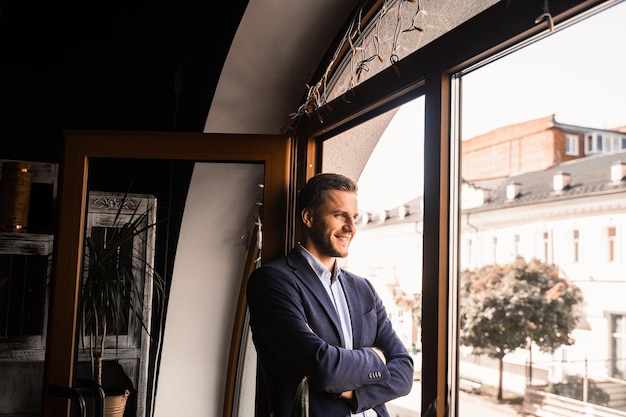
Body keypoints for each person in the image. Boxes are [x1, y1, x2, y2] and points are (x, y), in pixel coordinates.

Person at [246, 173, 414, 417]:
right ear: (308, 217)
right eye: (339, 215)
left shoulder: (363, 288)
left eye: (354, 218)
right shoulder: (272, 282)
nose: (351, 227)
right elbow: (321, 367)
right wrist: (376, 358)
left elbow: (404, 372)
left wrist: (354, 392)